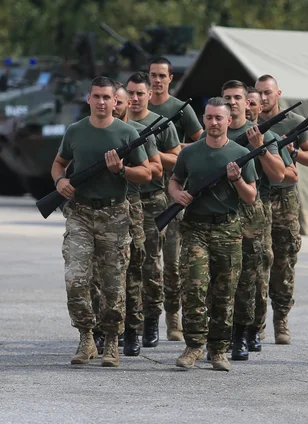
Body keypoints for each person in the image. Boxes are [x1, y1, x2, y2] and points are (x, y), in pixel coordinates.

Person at [51, 76, 152, 367]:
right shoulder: (75, 131)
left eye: (107, 98)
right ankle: (86, 338)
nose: (101, 102)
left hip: (115, 215)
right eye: (96, 96)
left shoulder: (126, 132)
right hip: (80, 213)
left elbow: (146, 173)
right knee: (75, 279)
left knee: (113, 284)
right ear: (89, 99)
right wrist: (60, 182)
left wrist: (121, 170)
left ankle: (110, 341)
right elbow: (59, 162)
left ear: (114, 101)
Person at [169, 97, 257, 371]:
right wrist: (177, 195)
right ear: (203, 119)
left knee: (224, 292)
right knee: (194, 287)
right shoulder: (190, 152)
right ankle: (194, 345)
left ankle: (218, 350)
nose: (214, 123)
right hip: (195, 228)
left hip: (228, 230)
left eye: (219, 118)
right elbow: (174, 180)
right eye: (209, 117)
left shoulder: (240, 153)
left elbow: (251, 197)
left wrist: (236, 179)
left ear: (229, 121)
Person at [89, 83, 162, 357]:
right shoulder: (92, 131)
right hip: (99, 209)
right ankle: (101, 331)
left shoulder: (137, 135)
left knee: (133, 271)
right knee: (98, 274)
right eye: (113, 101)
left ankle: (132, 329)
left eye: (119, 101)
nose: (116, 106)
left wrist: (123, 169)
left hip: (131, 206)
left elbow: (154, 169)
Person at [220, 80, 284, 361]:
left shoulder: (261, 133)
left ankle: (247, 332)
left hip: (252, 213)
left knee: (252, 277)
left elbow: (279, 175)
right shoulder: (215, 130)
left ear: (248, 103)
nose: (232, 102)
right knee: (221, 276)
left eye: (237, 98)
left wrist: (260, 147)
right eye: (227, 98)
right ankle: (219, 333)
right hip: (219, 211)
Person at [254, 74, 308, 345]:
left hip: (285, 200)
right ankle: (255, 323)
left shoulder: (294, 122)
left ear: (278, 93)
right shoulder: (248, 123)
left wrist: (293, 153)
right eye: (258, 93)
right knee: (256, 262)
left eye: (267, 92)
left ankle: (281, 318)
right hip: (257, 197)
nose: (263, 97)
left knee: (284, 261)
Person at [148, 56, 204, 342]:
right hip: (141, 194)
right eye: (153, 75)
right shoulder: (138, 107)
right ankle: (145, 322)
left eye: (162, 75)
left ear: (170, 78)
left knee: (172, 264)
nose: (157, 80)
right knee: (144, 264)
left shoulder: (180, 109)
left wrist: (179, 151)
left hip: (170, 193)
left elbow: (202, 142)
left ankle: (172, 319)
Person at [126, 72, 181, 348]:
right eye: (130, 93)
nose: (134, 99)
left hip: (152, 201)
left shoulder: (161, 124)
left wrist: (151, 156)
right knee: (125, 266)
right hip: (123, 203)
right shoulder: (117, 125)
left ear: (149, 95)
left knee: (150, 265)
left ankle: (151, 321)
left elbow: (178, 159)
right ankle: (128, 323)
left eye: (139, 93)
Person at [245, 86, 298, 351]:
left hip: (275, 204)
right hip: (245, 209)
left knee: (279, 263)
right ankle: (250, 325)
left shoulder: (272, 136)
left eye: (257, 102)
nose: (253, 106)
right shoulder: (223, 135)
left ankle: (279, 318)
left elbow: (289, 174)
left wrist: (266, 151)